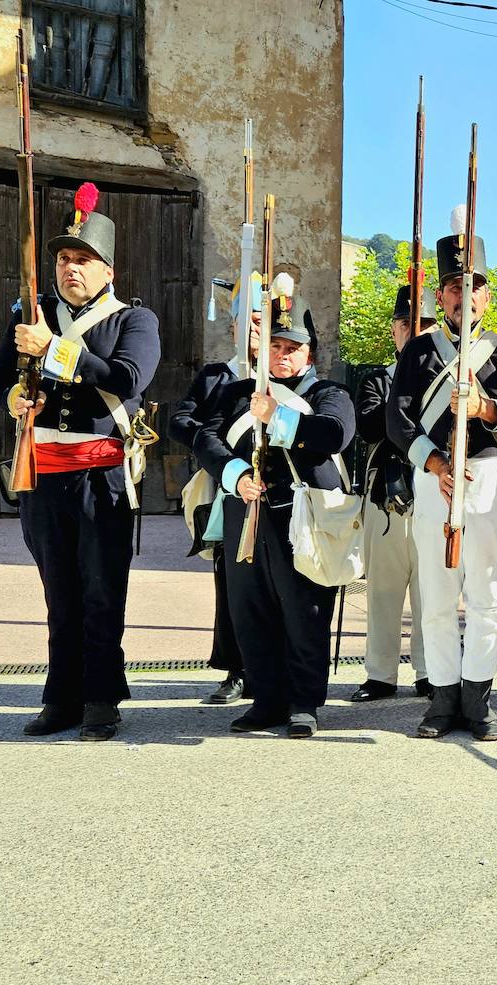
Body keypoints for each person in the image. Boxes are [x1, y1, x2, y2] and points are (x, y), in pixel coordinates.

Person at [0, 183, 161, 741]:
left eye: (84, 260)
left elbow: (127, 379)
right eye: (63, 259)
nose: (71, 269)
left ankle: (101, 698)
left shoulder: (134, 320)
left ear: (109, 271)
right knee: (58, 592)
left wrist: (53, 349)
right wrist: (14, 398)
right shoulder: (33, 314)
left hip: (99, 475)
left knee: (102, 591)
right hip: (41, 475)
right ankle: (61, 697)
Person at [386, 207, 497, 742]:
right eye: (452, 285)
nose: (460, 295)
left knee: (488, 591)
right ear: (441, 297)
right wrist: (433, 461)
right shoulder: (421, 351)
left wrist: (485, 410)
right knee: (436, 591)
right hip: (435, 480)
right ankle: (443, 698)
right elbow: (396, 419)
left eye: (471, 286)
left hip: (489, 477)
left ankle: (478, 697)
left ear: (485, 297)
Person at [193, 278, 355, 738]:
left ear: (309, 354)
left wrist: (279, 418)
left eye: (292, 347)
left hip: (301, 518)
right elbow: (206, 438)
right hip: (246, 513)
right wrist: (234, 474)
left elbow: (332, 434)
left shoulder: (329, 394)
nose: (282, 355)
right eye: (275, 345)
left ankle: (304, 702)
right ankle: (266, 699)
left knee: (304, 612)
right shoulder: (236, 391)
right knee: (251, 609)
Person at [169, 276, 262, 705]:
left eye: (264, 323)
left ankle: (273, 667)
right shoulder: (215, 377)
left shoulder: (290, 376)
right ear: (234, 328)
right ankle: (236, 669)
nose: (257, 332)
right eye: (250, 324)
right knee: (231, 582)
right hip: (227, 487)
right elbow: (180, 421)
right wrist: (215, 443)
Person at [350, 284, 433, 704]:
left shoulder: (447, 380)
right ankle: (380, 674)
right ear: (394, 331)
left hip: (435, 492)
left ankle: (429, 671)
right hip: (386, 494)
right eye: (406, 324)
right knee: (382, 589)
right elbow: (366, 428)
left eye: (424, 325)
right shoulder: (377, 379)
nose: (414, 332)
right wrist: (403, 393)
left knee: (431, 589)